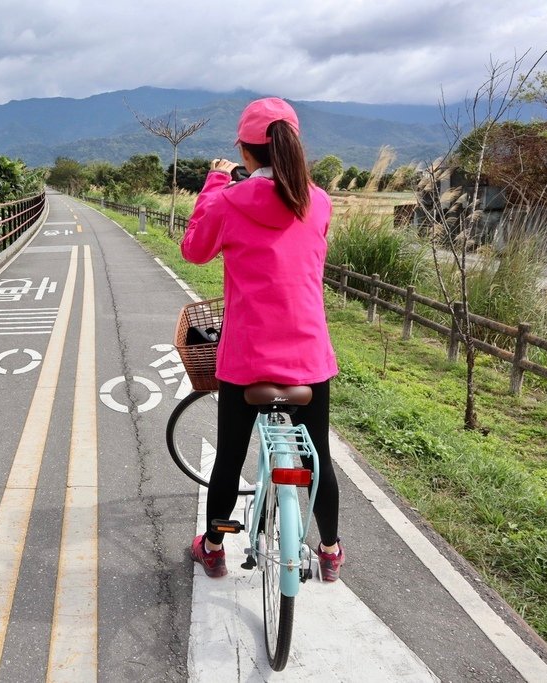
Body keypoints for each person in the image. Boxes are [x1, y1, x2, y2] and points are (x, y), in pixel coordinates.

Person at [180, 97, 344, 581]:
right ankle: (330, 552)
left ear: (247, 154)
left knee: (230, 459)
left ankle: (213, 547)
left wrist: (216, 181)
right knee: (320, 456)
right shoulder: (320, 202)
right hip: (309, 355)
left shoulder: (229, 200)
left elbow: (194, 250)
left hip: (247, 357)